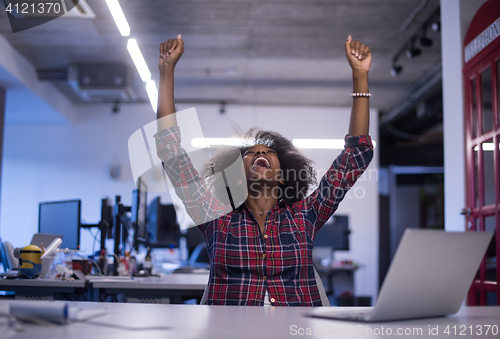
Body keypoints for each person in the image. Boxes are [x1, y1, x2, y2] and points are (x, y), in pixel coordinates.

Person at [155, 34, 373, 306]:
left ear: (282, 176)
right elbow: (171, 153)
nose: (260, 153)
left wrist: (359, 76)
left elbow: (355, 156)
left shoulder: (305, 216)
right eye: (250, 154)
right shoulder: (216, 220)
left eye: (269, 153)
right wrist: (166, 71)